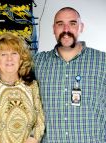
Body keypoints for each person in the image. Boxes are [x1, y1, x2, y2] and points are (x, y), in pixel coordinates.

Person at [33, 7, 106, 142]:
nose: (66, 30)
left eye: (72, 23)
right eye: (60, 24)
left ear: (81, 27)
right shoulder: (37, 63)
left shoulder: (103, 61)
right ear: (54, 28)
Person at [0, 32, 45, 143]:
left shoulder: (32, 86)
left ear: (21, 59)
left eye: (14, 53)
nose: (9, 59)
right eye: (3, 54)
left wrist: (33, 139)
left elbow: (40, 121)